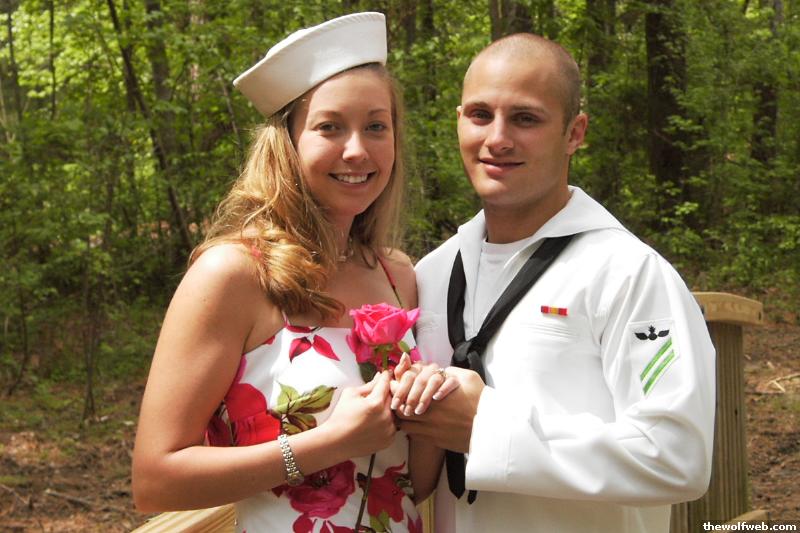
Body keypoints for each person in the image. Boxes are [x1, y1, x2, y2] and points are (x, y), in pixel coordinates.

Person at [131, 13, 452, 533]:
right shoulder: (234, 275)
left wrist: (430, 407)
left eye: (376, 126)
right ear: (287, 142)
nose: (357, 149)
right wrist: (330, 443)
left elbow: (412, 485)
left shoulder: (398, 275)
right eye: (329, 127)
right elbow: (155, 480)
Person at [397, 34, 716, 533]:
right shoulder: (432, 274)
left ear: (574, 133)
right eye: (480, 115)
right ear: (458, 119)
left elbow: (678, 457)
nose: (497, 139)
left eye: (525, 118)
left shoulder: (628, 274)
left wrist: (489, 427)